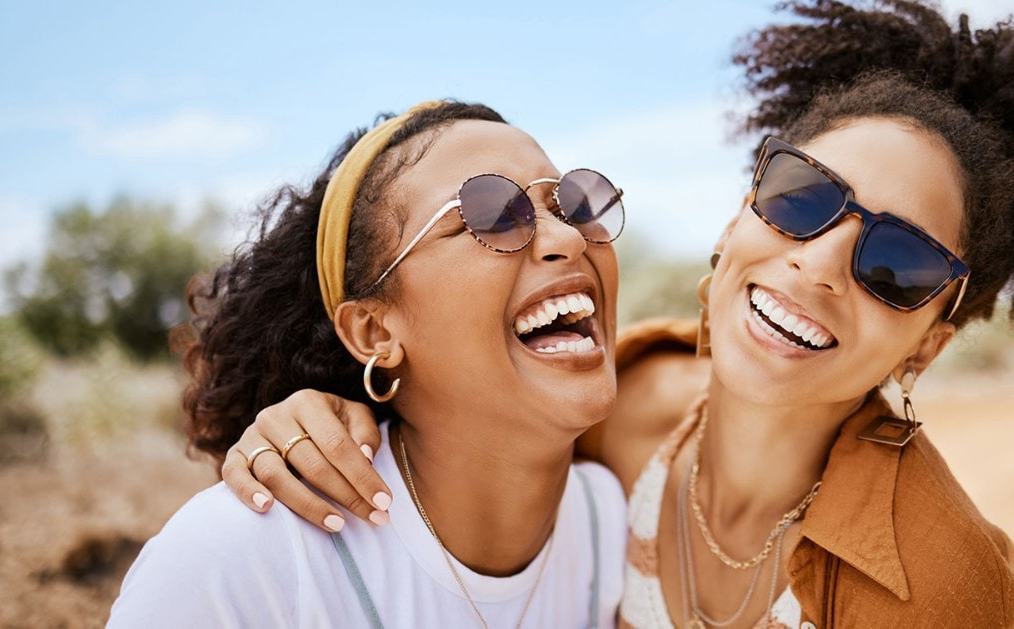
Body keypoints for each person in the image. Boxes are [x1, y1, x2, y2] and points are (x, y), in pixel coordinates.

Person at [220, 1, 1014, 626]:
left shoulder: (942, 586)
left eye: (898, 262)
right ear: (739, 218)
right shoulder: (611, 417)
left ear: (928, 341)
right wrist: (328, 407)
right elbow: (457, 411)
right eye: (802, 198)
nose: (818, 264)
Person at [108, 100, 630, 627]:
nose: (568, 237)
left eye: (572, 206)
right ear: (374, 332)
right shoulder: (243, 559)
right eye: (491, 214)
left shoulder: (608, 517)